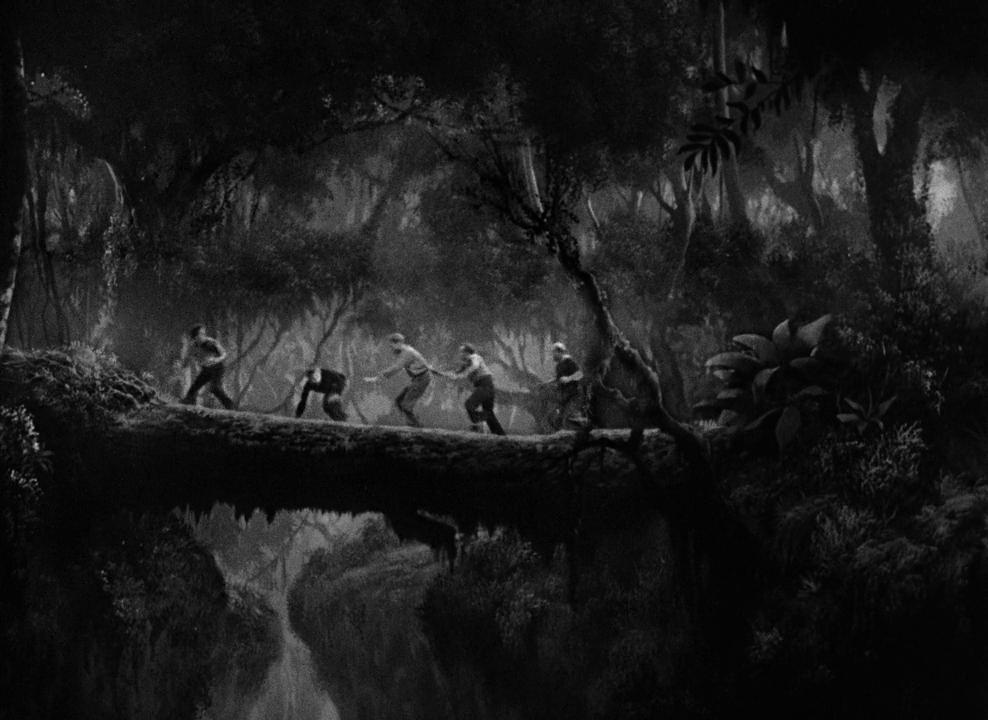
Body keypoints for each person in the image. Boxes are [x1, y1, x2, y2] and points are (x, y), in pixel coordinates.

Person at [364, 333, 433, 427]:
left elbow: (396, 367)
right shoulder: (406, 351)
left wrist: (377, 378)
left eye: (391, 346)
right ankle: (411, 424)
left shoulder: (407, 353)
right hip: (418, 378)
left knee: (406, 405)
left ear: (398, 343)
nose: (391, 348)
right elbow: (423, 364)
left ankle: (418, 427)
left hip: (422, 379)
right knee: (399, 401)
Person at [444, 343, 505, 435]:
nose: (460, 354)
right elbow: (456, 373)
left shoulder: (474, 357)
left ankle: (481, 421)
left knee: (469, 405)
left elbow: (475, 366)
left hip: (485, 385)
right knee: (488, 411)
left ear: (467, 353)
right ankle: (500, 435)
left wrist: (464, 374)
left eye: (461, 352)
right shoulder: (466, 363)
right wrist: (446, 374)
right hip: (487, 386)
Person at [181, 324, 236, 409]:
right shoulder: (193, 347)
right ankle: (189, 404)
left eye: (204, 333)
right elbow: (187, 358)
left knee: (215, 388)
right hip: (206, 369)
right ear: (195, 337)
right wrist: (185, 363)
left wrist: (216, 360)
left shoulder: (211, 342)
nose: (203, 336)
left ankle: (230, 406)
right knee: (194, 387)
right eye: (201, 334)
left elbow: (224, 354)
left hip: (217, 368)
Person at [551, 341, 585, 431]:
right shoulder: (559, 365)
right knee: (558, 418)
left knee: (571, 416)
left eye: (554, 352)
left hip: (574, 396)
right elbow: (558, 379)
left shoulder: (569, 361)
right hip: (564, 397)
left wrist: (569, 378)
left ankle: (584, 432)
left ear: (560, 352)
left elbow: (580, 374)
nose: (552, 355)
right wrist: (548, 383)